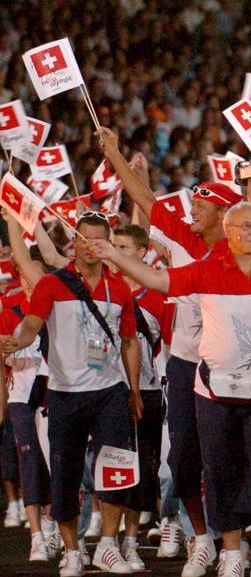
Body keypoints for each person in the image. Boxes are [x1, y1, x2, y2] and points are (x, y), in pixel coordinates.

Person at [93, 201, 251, 577]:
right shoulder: (205, 271)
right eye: (245, 227)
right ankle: (232, 553)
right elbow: (158, 281)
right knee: (221, 472)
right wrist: (113, 254)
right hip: (212, 391)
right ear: (228, 231)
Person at [97, 125, 251, 577]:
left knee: (238, 459)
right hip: (186, 365)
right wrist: (115, 154)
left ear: (223, 213)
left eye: (200, 206)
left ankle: (241, 545)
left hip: (242, 367)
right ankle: (203, 540)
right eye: (192, 204)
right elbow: (144, 197)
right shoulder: (181, 238)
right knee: (183, 459)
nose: (190, 210)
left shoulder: (247, 245)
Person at [0, 213, 142, 577]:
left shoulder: (120, 288)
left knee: (116, 471)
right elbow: (33, 322)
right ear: (74, 244)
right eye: (85, 239)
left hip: (110, 391)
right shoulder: (51, 284)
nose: (92, 246)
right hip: (64, 394)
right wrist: (20, 339)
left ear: (106, 244)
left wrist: (135, 389)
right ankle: (73, 551)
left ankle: (108, 546)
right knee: (64, 475)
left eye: (99, 240)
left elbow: (129, 342)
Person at [111, 224, 169, 572]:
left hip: (148, 392)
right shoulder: (102, 289)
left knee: (145, 469)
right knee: (116, 468)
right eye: (113, 245)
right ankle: (110, 541)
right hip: (107, 392)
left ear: (142, 252)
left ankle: (132, 542)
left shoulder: (157, 295)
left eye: (124, 247)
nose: (117, 251)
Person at [1, 212, 57, 564]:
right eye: (24, 275)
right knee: (29, 461)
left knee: (56, 461)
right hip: (22, 396)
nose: (29, 282)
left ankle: (54, 526)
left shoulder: (56, 308)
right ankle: (37, 536)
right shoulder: (9, 310)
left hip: (54, 395)